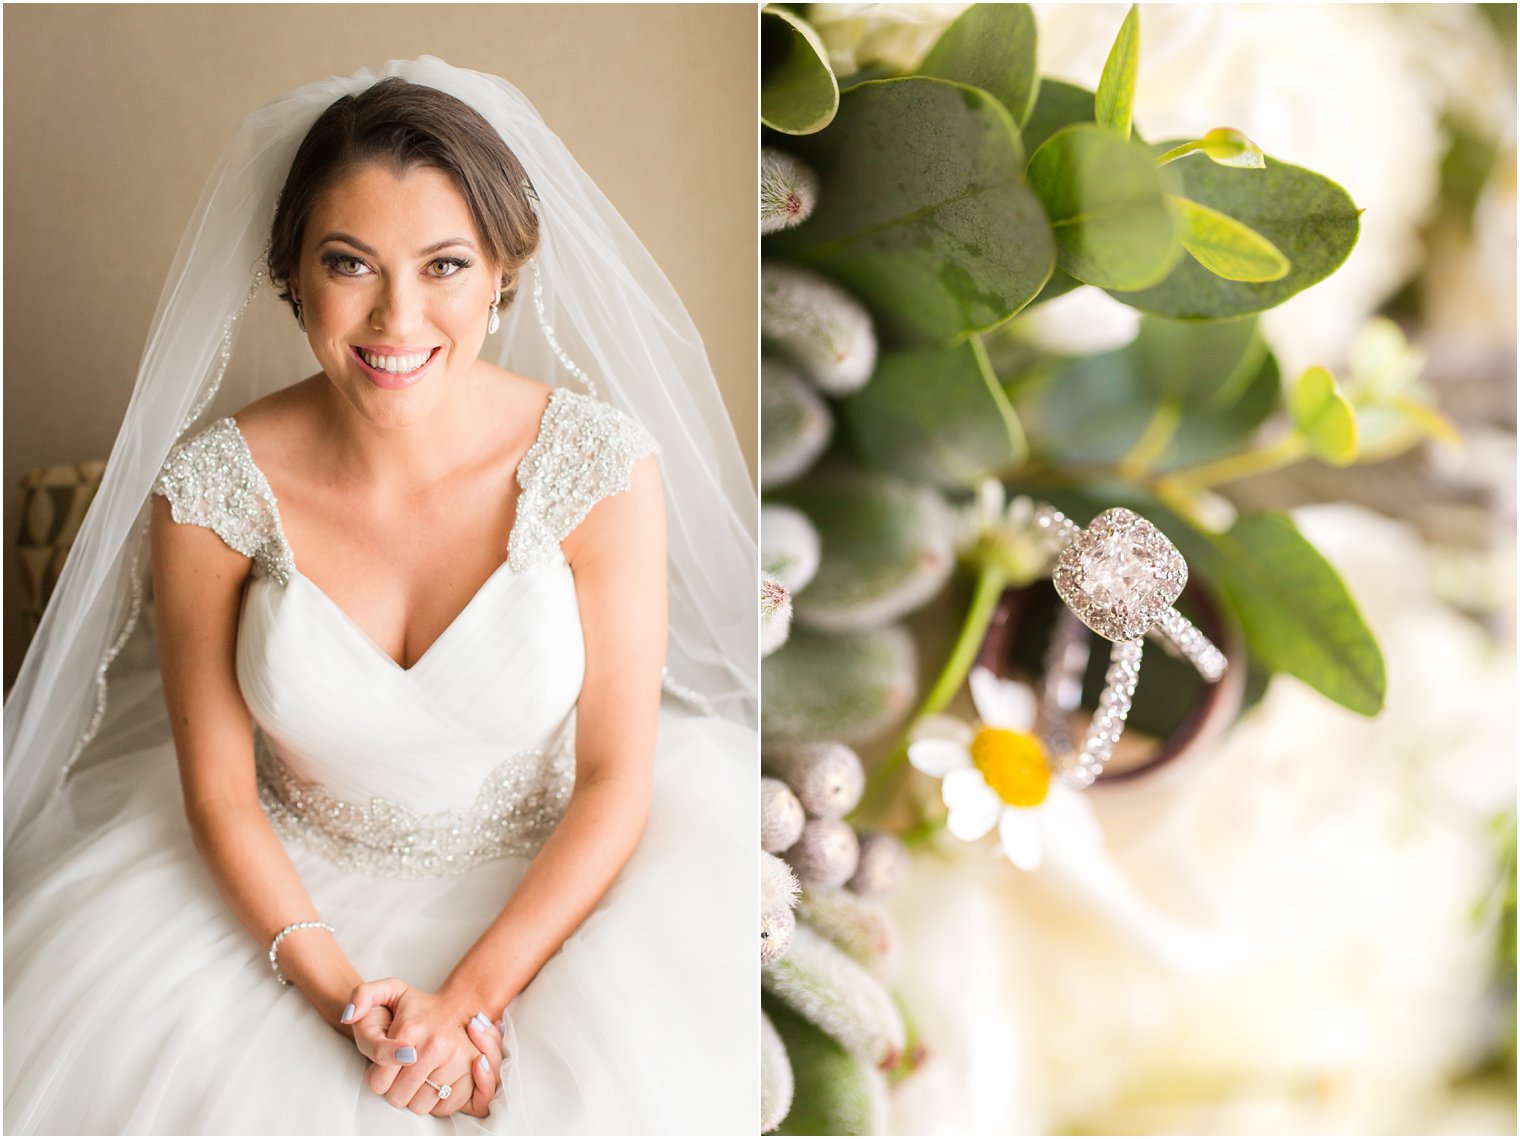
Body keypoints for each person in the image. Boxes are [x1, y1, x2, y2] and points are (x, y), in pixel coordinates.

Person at [3, 58, 757, 1134]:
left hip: (558, 889)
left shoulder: (600, 467)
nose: (397, 318)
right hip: (286, 904)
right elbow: (218, 793)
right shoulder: (210, 491)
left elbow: (611, 780)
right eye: (349, 263)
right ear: (292, 278)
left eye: (444, 264)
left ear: (502, 271)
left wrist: (466, 1002)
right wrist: (348, 1002)